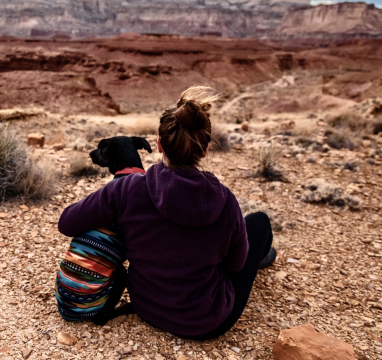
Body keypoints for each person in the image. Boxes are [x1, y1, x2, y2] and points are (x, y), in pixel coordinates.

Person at [57, 85, 277, 339]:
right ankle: (264, 256)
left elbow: (67, 223)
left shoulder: (127, 189)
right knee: (259, 222)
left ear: (160, 145)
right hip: (206, 321)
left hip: (146, 307)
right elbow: (235, 264)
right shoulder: (225, 201)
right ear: (205, 150)